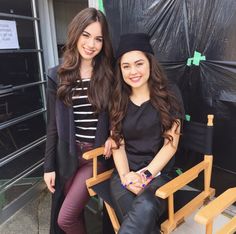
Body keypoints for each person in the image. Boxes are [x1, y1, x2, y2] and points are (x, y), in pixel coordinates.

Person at [43, 8, 114, 234]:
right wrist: (48, 166)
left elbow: (120, 113)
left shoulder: (109, 75)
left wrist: (115, 135)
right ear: (75, 34)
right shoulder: (57, 76)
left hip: (96, 158)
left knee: (65, 218)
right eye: (86, 35)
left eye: (98, 38)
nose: (91, 44)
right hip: (68, 155)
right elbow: (53, 125)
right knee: (70, 215)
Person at [109, 33, 184, 234]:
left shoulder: (170, 94)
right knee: (144, 221)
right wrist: (126, 176)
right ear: (120, 69)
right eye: (126, 66)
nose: (133, 71)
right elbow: (118, 144)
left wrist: (145, 175)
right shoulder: (118, 99)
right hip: (124, 175)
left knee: (147, 207)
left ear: (150, 63)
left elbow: (171, 145)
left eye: (139, 63)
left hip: (158, 175)